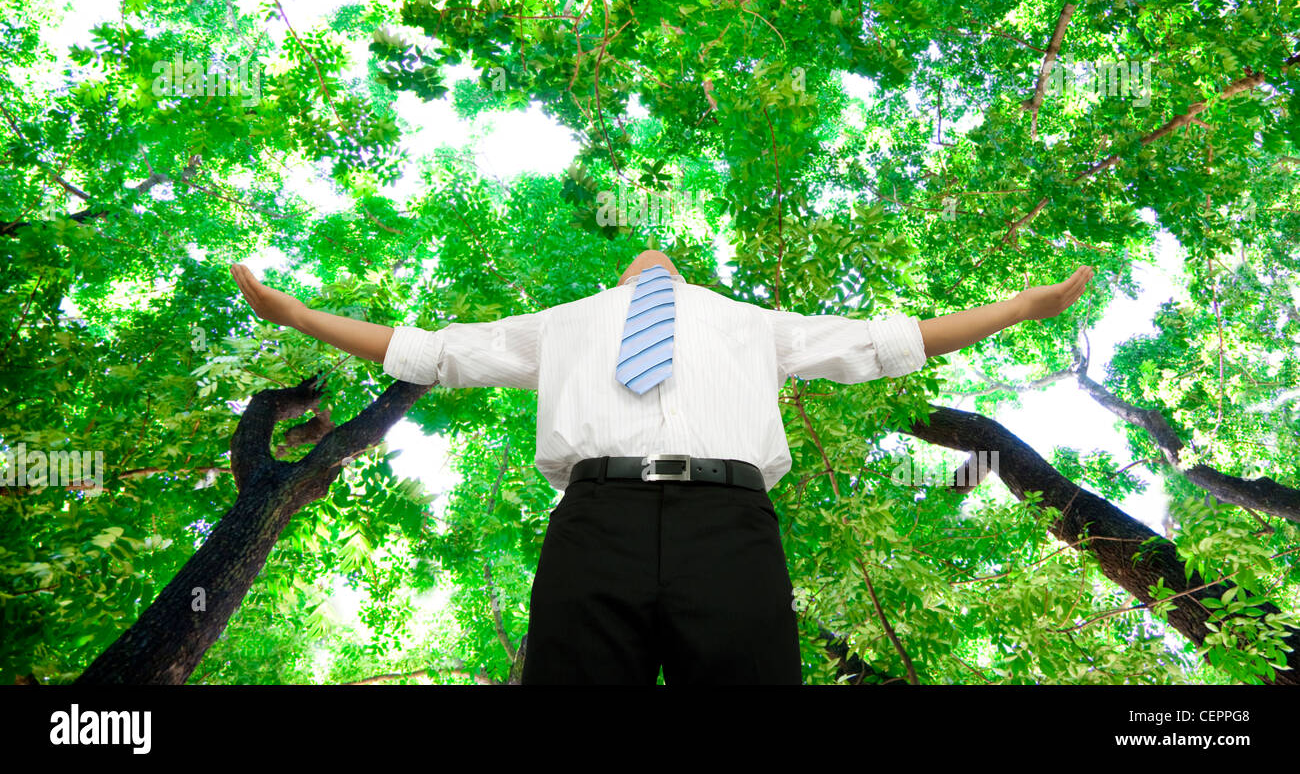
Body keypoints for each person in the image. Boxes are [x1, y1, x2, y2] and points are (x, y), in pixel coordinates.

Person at [230, 251, 1093, 684]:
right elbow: (426, 351)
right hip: (594, 520)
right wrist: (297, 313)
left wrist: (1024, 306)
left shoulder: (751, 322)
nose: (652, 256)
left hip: (730, 526)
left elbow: (885, 342)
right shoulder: (562, 322)